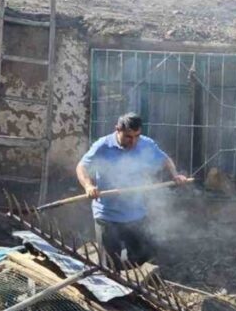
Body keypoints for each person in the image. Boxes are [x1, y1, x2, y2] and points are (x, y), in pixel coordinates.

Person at [76, 113, 190, 267]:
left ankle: (136, 287)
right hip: (107, 216)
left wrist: (175, 175)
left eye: (137, 136)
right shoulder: (102, 145)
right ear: (117, 129)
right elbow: (81, 167)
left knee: (142, 258)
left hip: (136, 214)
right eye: (129, 137)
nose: (134, 141)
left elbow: (165, 159)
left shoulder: (146, 144)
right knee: (110, 263)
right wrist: (89, 186)